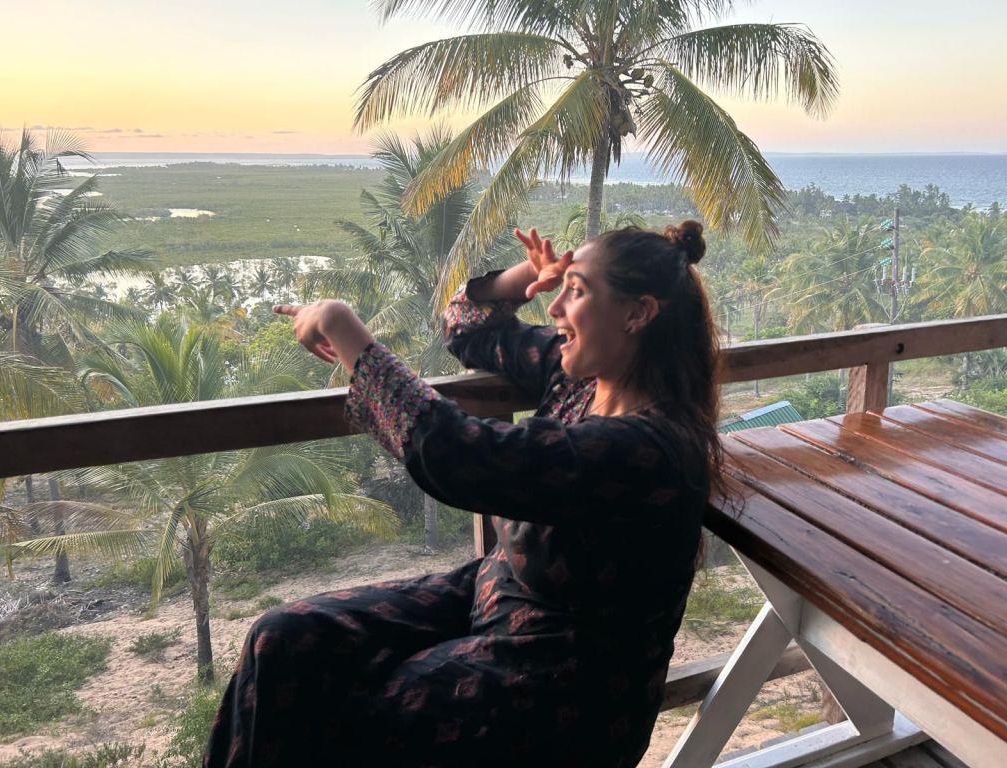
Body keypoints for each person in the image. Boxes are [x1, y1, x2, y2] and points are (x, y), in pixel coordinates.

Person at [203, 221, 724, 768]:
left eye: (576, 291)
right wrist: (525, 277)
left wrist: (342, 327)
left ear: (637, 314)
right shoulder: (580, 378)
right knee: (283, 639)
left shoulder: (648, 448)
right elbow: (466, 327)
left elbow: (461, 454)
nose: (553, 308)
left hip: (564, 683)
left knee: (359, 717)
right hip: (489, 600)